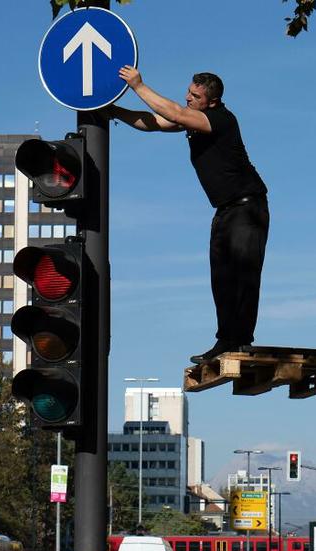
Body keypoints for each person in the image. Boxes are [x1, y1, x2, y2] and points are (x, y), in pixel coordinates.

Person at [106, 67, 269, 362]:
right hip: (224, 210)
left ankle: (240, 340)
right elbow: (154, 121)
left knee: (243, 274)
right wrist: (114, 110)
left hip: (248, 207)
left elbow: (176, 113)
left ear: (212, 102)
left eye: (195, 96)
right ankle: (226, 339)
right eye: (188, 93)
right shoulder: (194, 121)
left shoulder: (220, 119)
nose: (188, 98)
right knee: (220, 277)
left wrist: (138, 86)